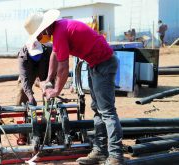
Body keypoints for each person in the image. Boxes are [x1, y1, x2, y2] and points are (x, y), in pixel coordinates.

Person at [24, 9, 124, 165]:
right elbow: (54, 56)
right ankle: (100, 151)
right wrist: (49, 79)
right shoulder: (59, 30)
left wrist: (56, 90)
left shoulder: (60, 32)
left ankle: (116, 156)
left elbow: (63, 67)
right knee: (97, 109)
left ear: (44, 29)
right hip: (95, 64)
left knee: (107, 111)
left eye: (38, 35)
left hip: (103, 63)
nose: (39, 39)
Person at [16, 40, 52, 106]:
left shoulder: (49, 49)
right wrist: (30, 96)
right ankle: (21, 111)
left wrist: (48, 83)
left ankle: (51, 109)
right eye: (35, 54)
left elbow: (55, 68)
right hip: (29, 70)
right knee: (22, 89)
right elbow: (24, 78)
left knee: (49, 87)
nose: (36, 55)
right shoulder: (23, 56)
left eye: (38, 53)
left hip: (44, 68)